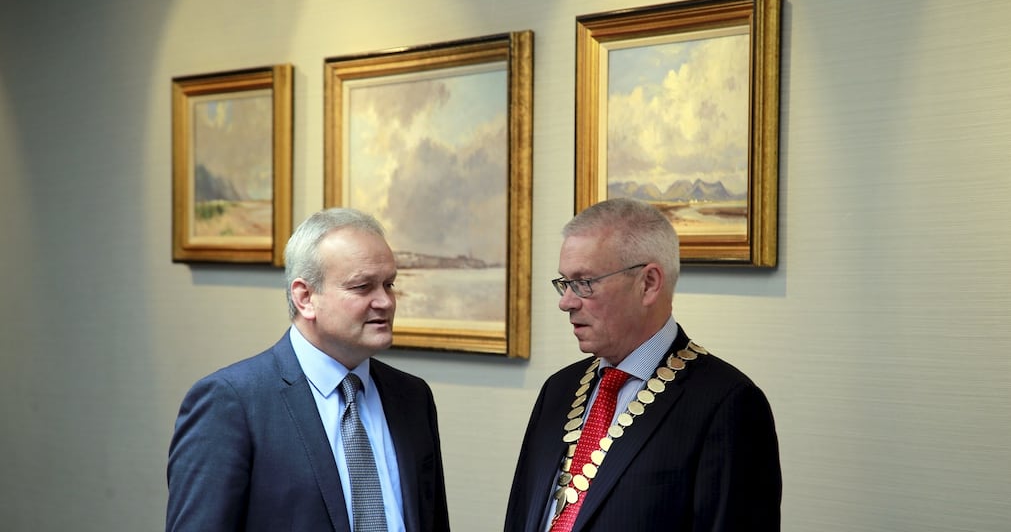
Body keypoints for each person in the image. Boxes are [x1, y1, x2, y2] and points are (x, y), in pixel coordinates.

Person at [504, 198, 781, 532]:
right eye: (565, 282)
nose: (566, 302)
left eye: (584, 283)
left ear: (648, 283)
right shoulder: (558, 390)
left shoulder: (726, 405)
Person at [167, 208, 450, 532]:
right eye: (362, 287)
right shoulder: (232, 404)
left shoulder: (412, 397)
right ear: (305, 298)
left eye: (389, 284)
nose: (385, 301)